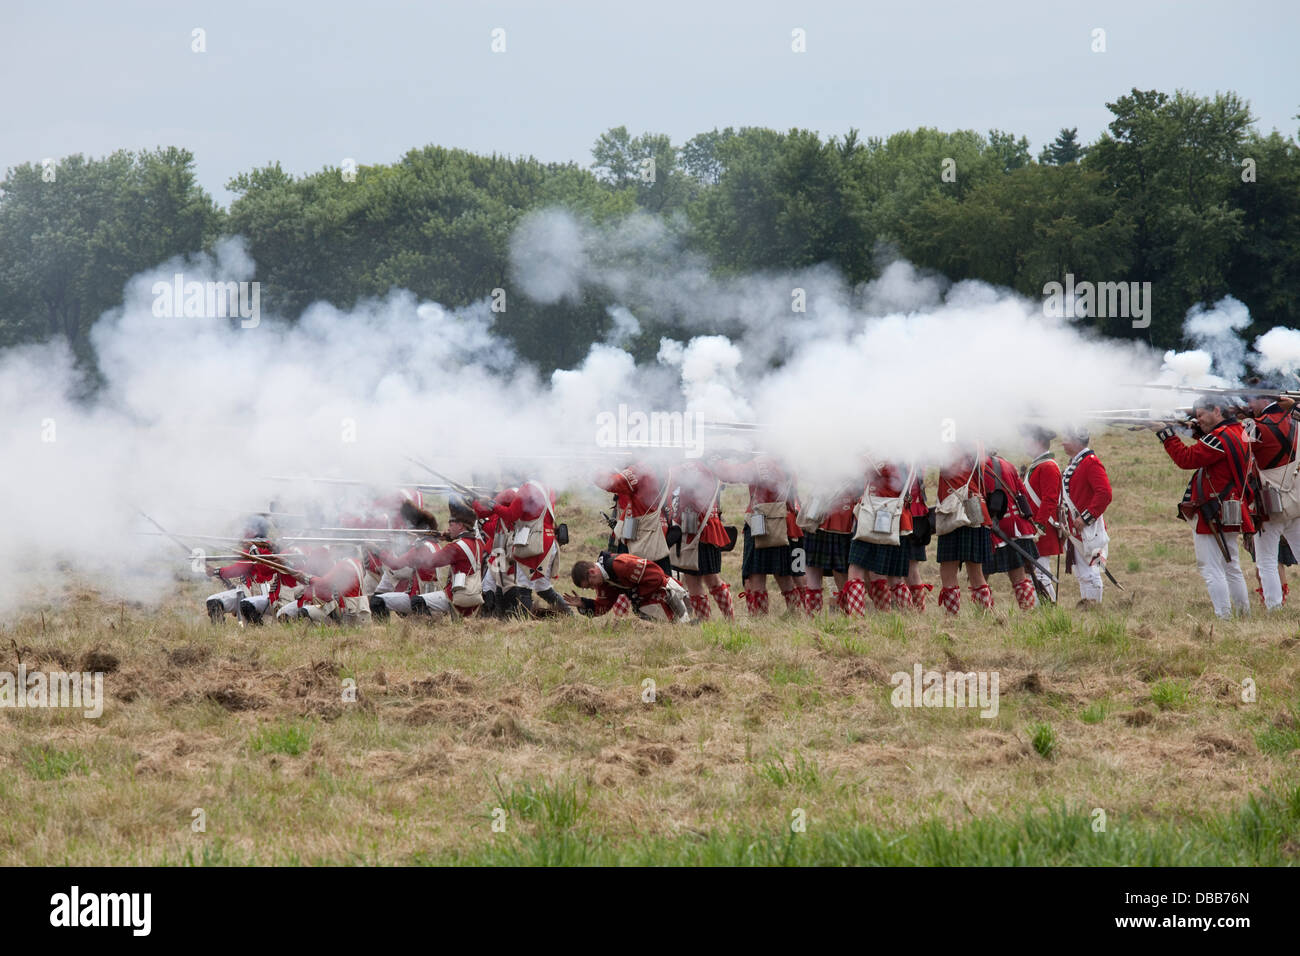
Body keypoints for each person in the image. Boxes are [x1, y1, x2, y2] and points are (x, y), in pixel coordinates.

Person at [1154, 397, 1254, 619]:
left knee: (1211, 568)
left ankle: (1224, 616)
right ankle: (1243, 614)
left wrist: (1166, 434)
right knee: (1231, 565)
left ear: (1216, 410)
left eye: (1201, 415)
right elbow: (1215, 450)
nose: (1198, 420)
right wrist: (1193, 429)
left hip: (1214, 509)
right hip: (1227, 506)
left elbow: (1186, 458)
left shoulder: (1221, 437)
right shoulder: (1236, 430)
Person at [711, 452, 805, 616]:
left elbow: (733, 475)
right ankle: (794, 612)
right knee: (782, 574)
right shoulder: (787, 461)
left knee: (756, 574)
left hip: (761, 522)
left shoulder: (763, 462)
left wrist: (716, 461)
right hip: (782, 522)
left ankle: (759, 616)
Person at [1246, 387, 1300, 609]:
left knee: (1266, 560)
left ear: (1262, 400)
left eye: (1251, 401)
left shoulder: (1254, 426)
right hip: (1297, 500)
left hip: (1270, 504)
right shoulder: (1296, 420)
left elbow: (1241, 451)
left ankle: (1274, 607)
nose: (1249, 405)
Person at [664, 459, 735, 620]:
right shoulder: (706, 466)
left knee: (707, 581)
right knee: (698, 581)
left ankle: (719, 620)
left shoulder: (691, 467)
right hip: (697, 529)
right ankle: (710, 621)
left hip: (700, 530)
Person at [844, 461, 913, 614]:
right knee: (894, 578)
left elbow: (869, 467)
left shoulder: (885, 453)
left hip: (876, 514)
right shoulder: (904, 452)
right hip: (892, 518)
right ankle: (896, 616)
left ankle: (857, 617)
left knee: (857, 569)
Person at [934, 447, 993, 615]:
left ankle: (952, 617)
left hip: (956, 509)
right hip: (975, 506)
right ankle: (984, 615)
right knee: (976, 572)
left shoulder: (951, 440)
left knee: (948, 568)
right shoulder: (977, 442)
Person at [980, 450, 1041, 611]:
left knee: (979, 576)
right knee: (1019, 576)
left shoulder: (979, 467)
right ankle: (1028, 610)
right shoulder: (1007, 464)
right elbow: (1023, 494)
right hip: (1017, 526)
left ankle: (983, 613)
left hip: (995, 526)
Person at [1059, 427, 1113, 607]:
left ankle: (1094, 609)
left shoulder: (1090, 462)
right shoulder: (1077, 462)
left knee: (1091, 572)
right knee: (1084, 573)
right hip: (1077, 529)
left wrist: (1085, 518)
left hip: (1087, 528)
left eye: (1066, 438)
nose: (1062, 442)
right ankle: (1089, 608)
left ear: (1076, 441)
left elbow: (1104, 493)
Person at [593, 461, 671, 574]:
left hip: (641, 530)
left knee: (637, 575)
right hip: (646, 526)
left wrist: (593, 472)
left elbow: (612, 483)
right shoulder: (660, 466)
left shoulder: (640, 469)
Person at [567, 552, 690, 622]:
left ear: (592, 572)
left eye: (590, 585)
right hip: (653, 598)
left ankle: (684, 621)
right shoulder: (603, 581)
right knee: (640, 609)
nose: (593, 589)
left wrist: (637, 593)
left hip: (667, 592)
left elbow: (657, 576)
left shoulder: (621, 565)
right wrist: (583, 604)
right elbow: (603, 607)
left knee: (642, 609)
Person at [799, 476, 861, 615]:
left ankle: (847, 614)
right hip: (818, 517)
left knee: (840, 572)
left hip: (838, 518)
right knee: (814, 570)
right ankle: (813, 617)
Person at [1020, 427, 1064, 602]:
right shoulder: (1039, 465)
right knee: (1034, 572)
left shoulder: (1048, 466)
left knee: (1040, 572)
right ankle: (1043, 610)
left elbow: (1050, 500)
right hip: (1036, 527)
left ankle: (1049, 610)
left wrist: (1039, 526)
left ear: (1037, 442)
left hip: (1041, 528)